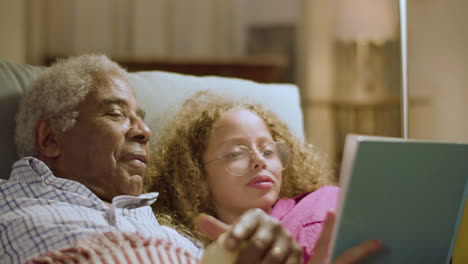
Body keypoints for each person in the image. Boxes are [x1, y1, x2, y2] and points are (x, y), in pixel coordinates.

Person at [0, 54, 303, 264]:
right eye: (116, 113)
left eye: (141, 119)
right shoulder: (9, 207)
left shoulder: (179, 237)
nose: (145, 131)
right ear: (51, 139)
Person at [147, 91, 381, 263]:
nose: (260, 160)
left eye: (268, 151)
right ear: (196, 176)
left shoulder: (326, 202)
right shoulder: (190, 250)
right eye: (235, 153)